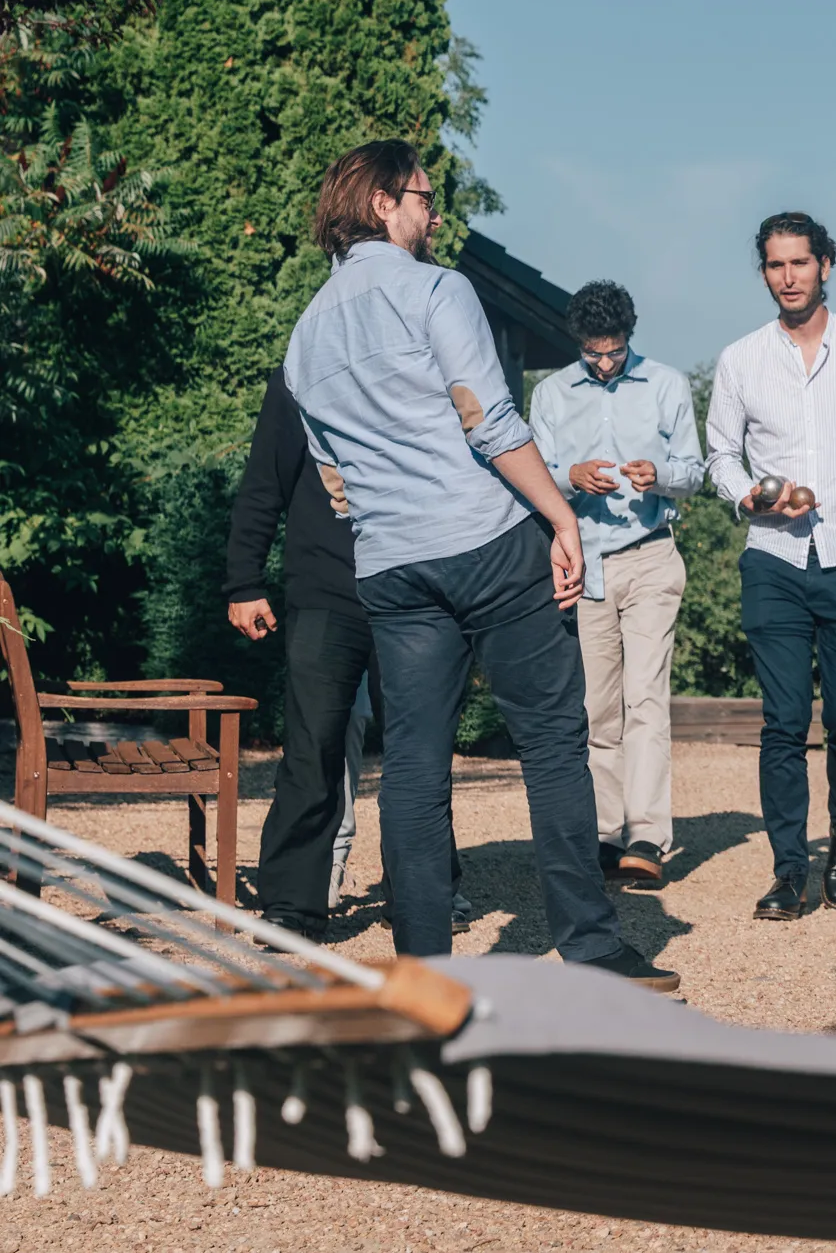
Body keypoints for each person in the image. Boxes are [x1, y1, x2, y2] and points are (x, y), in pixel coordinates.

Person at [282, 139, 672, 988]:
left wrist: (390, 523)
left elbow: (334, 479)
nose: (433, 216)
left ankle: (423, 969)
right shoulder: (435, 289)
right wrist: (560, 516)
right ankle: (591, 945)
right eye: (424, 199)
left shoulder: (304, 337)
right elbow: (488, 418)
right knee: (553, 739)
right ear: (383, 203)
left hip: (390, 566)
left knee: (413, 763)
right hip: (486, 545)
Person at [706, 212, 836, 920]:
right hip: (773, 560)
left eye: (800, 262)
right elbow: (719, 454)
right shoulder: (741, 359)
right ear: (764, 272)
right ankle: (788, 870)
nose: (788, 277)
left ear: (826, 265)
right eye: (775, 265)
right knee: (784, 722)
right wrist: (747, 493)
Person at [225, 369, 474, 940]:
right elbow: (264, 482)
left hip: (417, 589)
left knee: (419, 750)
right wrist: (243, 582)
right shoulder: (298, 377)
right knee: (311, 748)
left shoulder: (426, 368)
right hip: (323, 590)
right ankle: (293, 905)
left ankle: (426, 894)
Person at [530, 281, 704, 888]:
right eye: (593, 353)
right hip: (584, 565)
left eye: (614, 351)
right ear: (578, 342)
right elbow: (534, 474)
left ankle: (647, 835)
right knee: (597, 708)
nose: (604, 363)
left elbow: (695, 472)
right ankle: (606, 833)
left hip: (651, 556)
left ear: (629, 336)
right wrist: (571, 477)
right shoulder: (550, 394)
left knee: (646, 699)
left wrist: (660, 474)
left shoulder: (667, 384)